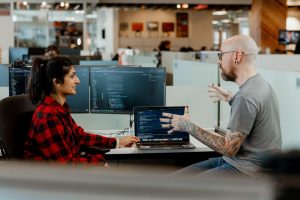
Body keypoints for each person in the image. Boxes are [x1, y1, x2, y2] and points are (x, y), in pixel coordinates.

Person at [160, 35, 282, 177]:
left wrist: (188, 126)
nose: (219, 62)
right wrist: (232, 98)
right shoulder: (259, 84)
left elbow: (228, 148)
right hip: (238, 162)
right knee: (172, 180)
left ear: (237, 56)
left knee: (179, 188)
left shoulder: (246, 96)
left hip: (247, 171)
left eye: (221, 55)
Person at [24, 56, 140, 165]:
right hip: (49, 182)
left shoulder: (59, 110)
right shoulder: (49, 116)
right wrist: (98, 162)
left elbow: (80, 137)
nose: (78, 81)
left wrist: (118, 142)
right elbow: (66, 165)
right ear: (57, 82)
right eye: (72, 76)